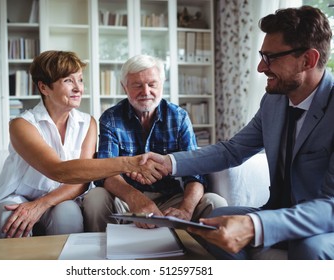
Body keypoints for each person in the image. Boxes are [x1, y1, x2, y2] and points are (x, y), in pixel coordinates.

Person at [136, 6, 334, 260]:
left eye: (271, 57)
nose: (261, 67)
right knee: (210, 221)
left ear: (308, 60)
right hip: (278, 211)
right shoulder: (273, 102)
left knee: (310, 248)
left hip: (323, 225)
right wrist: (169, 163)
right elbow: (232, 150)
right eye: (262, 56)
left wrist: (255, 226)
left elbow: (330, 207)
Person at [0, 50, 167, 239]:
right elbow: (59, 171)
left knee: (69, 216)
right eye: (68, 81)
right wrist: (131, 163)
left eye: (80, 79)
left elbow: (81, 181)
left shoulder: (88, 123)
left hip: (60, 198)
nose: (79, 88)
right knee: (9, 221)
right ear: (44, 87)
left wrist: (42, 205)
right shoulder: (22, 125)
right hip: (17, 197)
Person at [83, 54, 227, 232]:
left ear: (162, 83)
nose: (145, 92)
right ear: (124, 87)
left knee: (215, 202)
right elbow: (106, 172)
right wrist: (136, 199)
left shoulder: (179, 117)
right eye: (137, 85)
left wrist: (185, 209)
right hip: (126, 198)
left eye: (152, 84)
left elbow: (195, 173)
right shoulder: (111, 118)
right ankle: (100, 256)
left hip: (172, 198)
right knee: (95, 198)